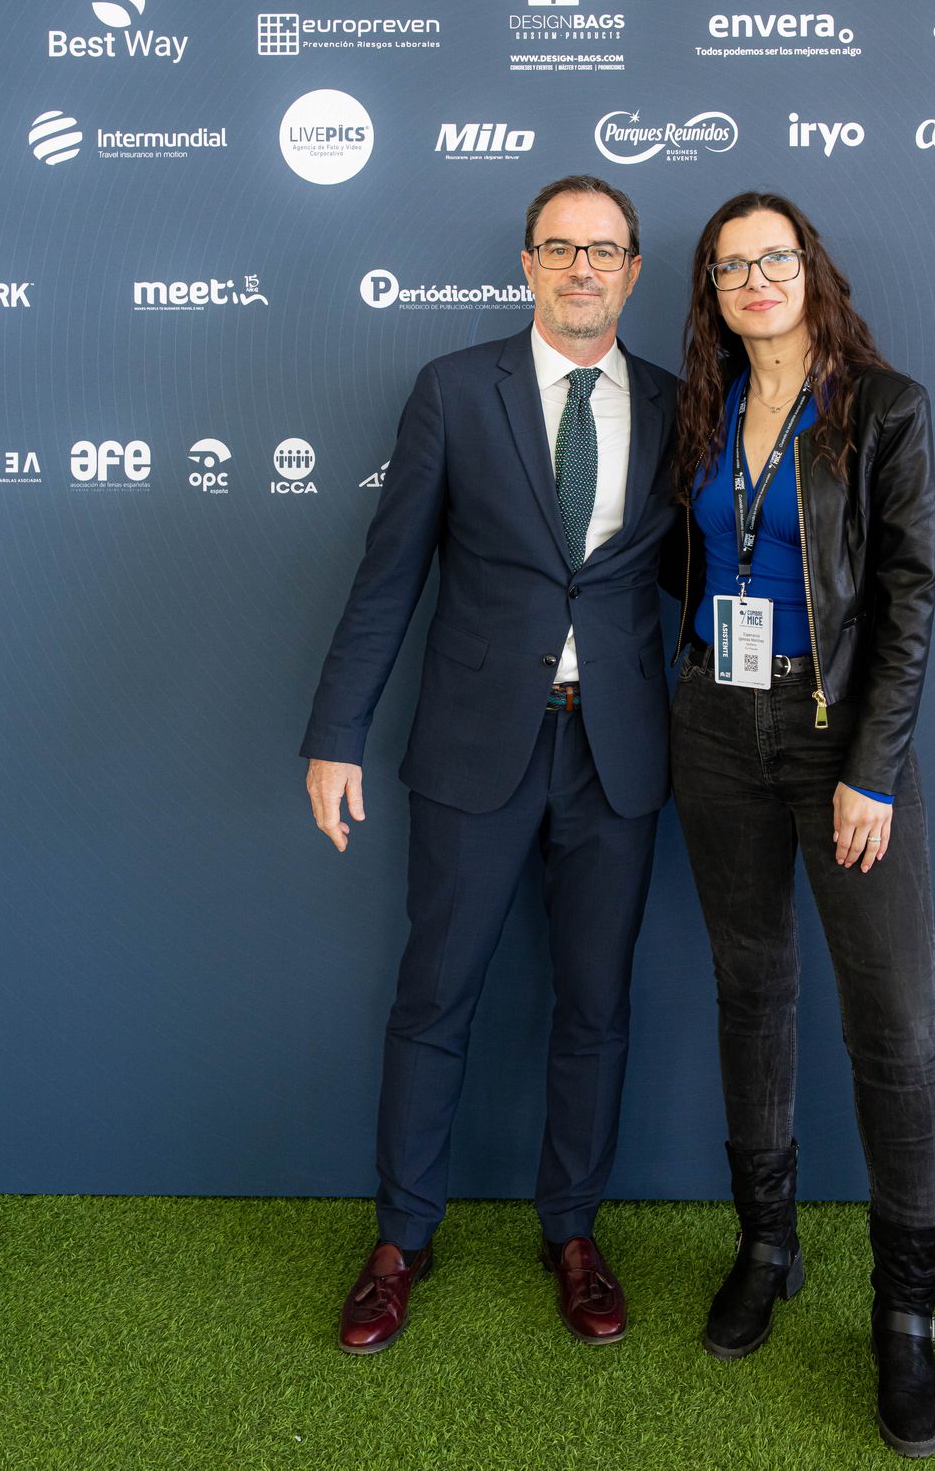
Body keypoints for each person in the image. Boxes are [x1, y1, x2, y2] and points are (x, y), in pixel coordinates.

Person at [300, 175, 676, 1355]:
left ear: (633, 271)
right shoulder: (456, 391)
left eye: (602, 250)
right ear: (527, 265)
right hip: (474, 748)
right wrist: (336, 732)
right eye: (559, 248)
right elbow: (388, 577)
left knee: (596, 1007)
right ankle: (401, 1241)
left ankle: (573, 1233)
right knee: (435, 1000)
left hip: (617, 754)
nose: (581, 269)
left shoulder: (676, 406)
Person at [668, 191, 935, 1458]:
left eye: (772, 258)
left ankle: (905, 1315)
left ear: (810, 268)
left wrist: (872, 770)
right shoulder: (703, 406)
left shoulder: (884, 409)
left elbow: (909, 597)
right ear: (713, 293)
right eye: (731, 268)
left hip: (841, 738)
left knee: (895, 1028)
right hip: (715, 726)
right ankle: (768, 1248)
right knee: (752, 992)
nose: (755, 281)